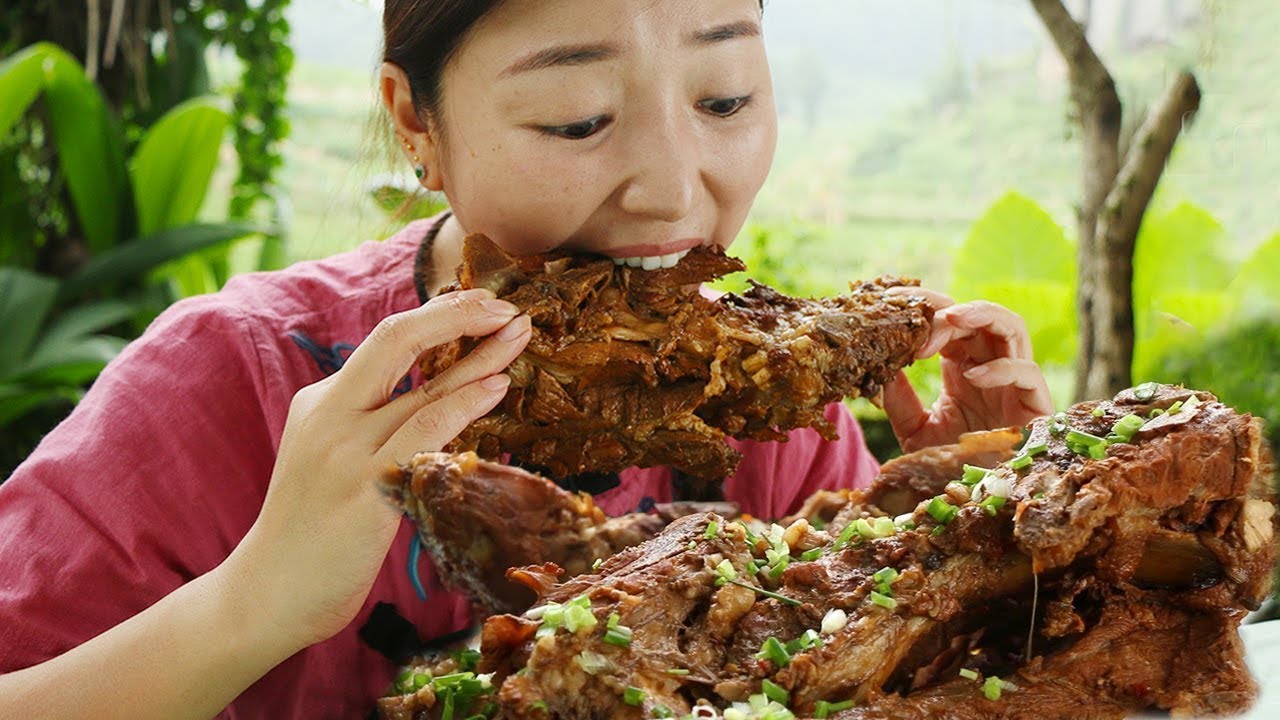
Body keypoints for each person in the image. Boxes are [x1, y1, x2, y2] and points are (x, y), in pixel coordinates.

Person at [0, 1, 1053, 717]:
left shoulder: (774, 418)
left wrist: (968, 534)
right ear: (415, 120)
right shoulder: (226, 383)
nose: (673, 195)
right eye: (577, 119)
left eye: (724, 99)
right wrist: (254, 605)